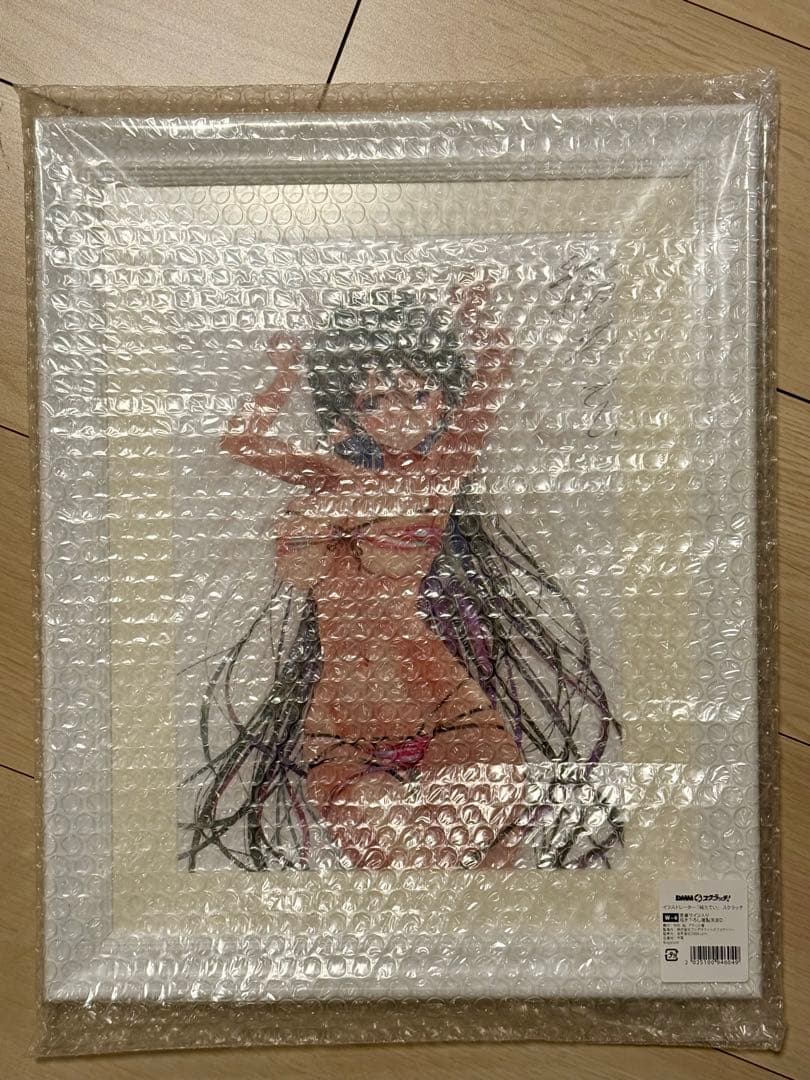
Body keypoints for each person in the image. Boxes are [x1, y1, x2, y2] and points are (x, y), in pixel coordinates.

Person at [183, 279, 622, 872]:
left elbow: (495, 366)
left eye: (419, 395)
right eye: (377, 399)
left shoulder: (438, 476)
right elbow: (239, 440)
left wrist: (475, 316)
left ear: (442, 402)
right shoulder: (325, 476)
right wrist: (285, 371)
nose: (400, 412)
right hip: (339, 731)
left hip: (446, 713)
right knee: (409, 872)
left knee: (463, 871)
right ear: (349, 411)